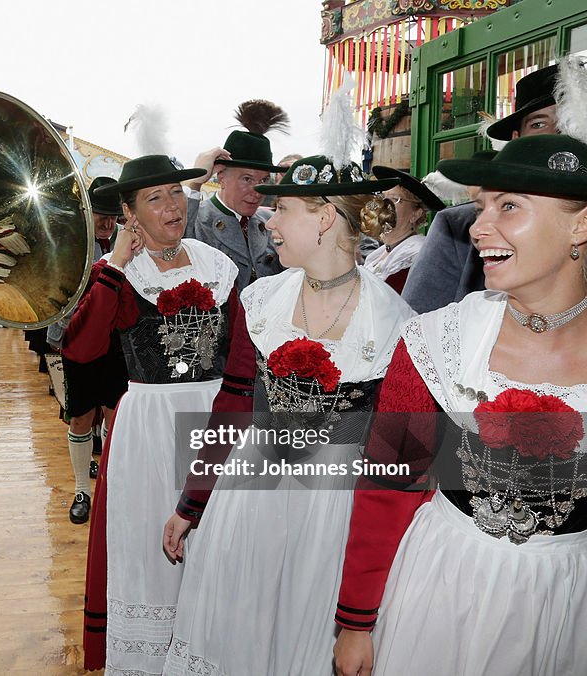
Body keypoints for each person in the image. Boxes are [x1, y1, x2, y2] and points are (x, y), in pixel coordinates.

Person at [334, 134, 587, 676]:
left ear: (580, 225)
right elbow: (387, 484)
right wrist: (357, 621)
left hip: (569, 603)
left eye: (509, 206)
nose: (477, 226)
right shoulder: (438, 342)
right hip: (444, 590)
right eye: (481, 205)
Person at [162, 155, 413, 675]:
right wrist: (192, 503)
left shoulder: (397, 324)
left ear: (324, 219)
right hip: (249, 502)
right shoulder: (260, 301)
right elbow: (231, 407)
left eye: (284, 209)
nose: (269, 219)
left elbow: (403, 465)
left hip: (332, 516)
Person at [70, 156, 256, 673]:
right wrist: (114, 267)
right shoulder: (117, 275)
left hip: (217, 414)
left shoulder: (216, 264)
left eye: (175, 192)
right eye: (154, 198)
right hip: (150, 426)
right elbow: (82, 350)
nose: (172, 206)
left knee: (217, 537)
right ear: (129, 214)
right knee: (150, 539)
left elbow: (242, 345)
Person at [402, 63, 559, 313]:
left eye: (571, 118)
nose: (558, 133)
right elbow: (416, 325)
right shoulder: (458, 227)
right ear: (516, 139)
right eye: (539, 123)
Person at [50, 176, 129, 524]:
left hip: (115, 344)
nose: (107, 222)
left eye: (113, 216)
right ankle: (82, 489)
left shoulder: (125, 243)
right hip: (78, 341)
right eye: (101, 214)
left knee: (114, 414)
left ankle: (109, 487)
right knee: (81, 417)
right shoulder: (71, 244)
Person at [186, 100, 290, 290]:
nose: (257, 191)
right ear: (221, 177)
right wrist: (195, 180)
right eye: (247, 179)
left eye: (264, 180)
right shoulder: (196, 220)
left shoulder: (272, 223)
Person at [363, 166, 445, 293]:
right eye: (383, 197)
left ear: (415, 214)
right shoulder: (378, 254)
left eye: (395, 199)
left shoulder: (415, 254)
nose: (384, 205)